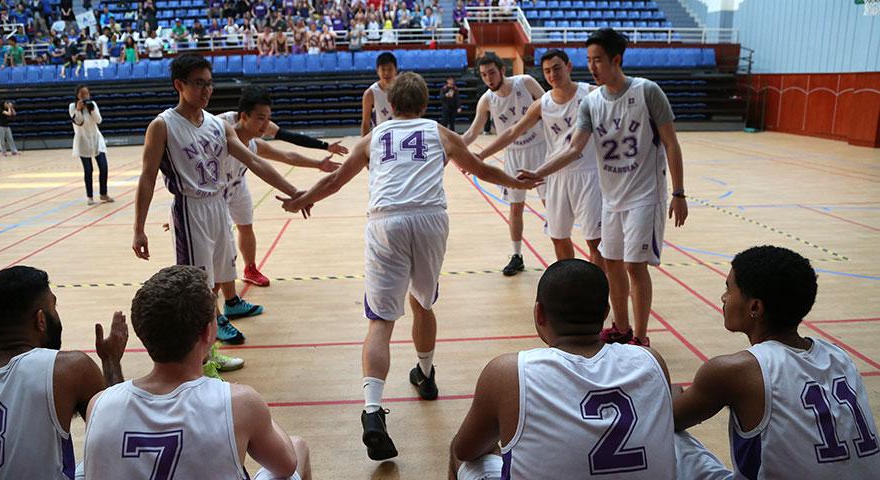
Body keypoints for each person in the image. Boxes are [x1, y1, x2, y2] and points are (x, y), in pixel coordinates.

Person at [278, 72, 540, 461]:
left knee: (381, 322)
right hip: (430, 219)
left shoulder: (373, 138)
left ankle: (371, 411)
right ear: (423, 104)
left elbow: (335, 180)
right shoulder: (439, 132)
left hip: (386, 220)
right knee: (424, 303)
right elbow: (481, 171)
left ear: (391, 104)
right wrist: (520, 183)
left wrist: (304, 199)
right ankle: (426, 374)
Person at [518, 28, 687, 347]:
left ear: (616, 60)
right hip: (611, 198)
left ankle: (640, 336)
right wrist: (537, 173)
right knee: (611, 264)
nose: (592, 67)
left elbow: (671, 144)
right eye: (589, 60)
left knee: (634, 266)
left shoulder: (647, 92)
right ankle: (620, 327)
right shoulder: (592, 102)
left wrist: (678, 193)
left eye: (598, 60)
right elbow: (572, 149)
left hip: (645, 195)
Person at [131, 55, 307, 350]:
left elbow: (252, 158)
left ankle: (210, 342)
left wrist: (294, 191)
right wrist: (139, 228)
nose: (206, 90)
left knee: (217, 280)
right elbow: (147, 177)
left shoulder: (217, 125)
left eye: (209, 84)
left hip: (218, 205)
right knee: (197, 286)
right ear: (179, 85)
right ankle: (203, 355)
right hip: (190, 207)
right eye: (199, 84)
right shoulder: (162, 125)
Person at [449, 259, 675, 479]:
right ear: (606, 313)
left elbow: (466, 450)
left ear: (539, 313)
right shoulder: (650, 360)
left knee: (461, 452)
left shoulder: (507, 372)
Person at [83, 265, 313, 480]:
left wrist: (111, 361)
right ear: (208, 332)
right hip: (238, 406)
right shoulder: (240, 402)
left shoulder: (99, 404)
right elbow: (286, 464)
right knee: (297, 446)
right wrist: (255, 409)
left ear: (141, 331)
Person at [672, 245, 880, 479]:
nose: (724, 297)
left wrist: (669, 394)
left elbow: (667, 419)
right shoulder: (839, 356)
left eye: (729, 289)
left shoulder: (734, 371)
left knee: (670, 439)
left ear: (755, 307)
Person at [0, 265, 128, 479]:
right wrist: (111, 361)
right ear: (40, 320)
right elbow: (123, 434)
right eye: (53, 307)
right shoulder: (70, 369)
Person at [478, 49, 604, 267]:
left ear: (569, 67)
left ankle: (598, 296)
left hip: (587, 173)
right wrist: (481, 154)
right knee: (558, 236)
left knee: (595, 242)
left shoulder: (591, 95)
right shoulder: (542, 104)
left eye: (556, 68)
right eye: (547, 71)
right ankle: (571, 284)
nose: (552, 74)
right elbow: (511, 132)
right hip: (556, 176)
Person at [218, 86, 346, 287]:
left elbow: (287, 155)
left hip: (237, 184)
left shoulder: (253, 142)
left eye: (268, 118)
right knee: (222, 245)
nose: (266, 125)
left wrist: (318, 163)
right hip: (215, 191)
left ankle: (250, 269)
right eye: (261, 118)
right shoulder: (220, 131)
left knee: (245, 225)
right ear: (243, 116)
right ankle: (222, 296)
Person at [462, 53, 548, 276]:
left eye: (491, 72)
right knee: (515, 208)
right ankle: (517, 255)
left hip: (541, 149)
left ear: (502, 70)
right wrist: (452, 151)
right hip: (513, 155)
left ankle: (562, 254)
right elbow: (472, 132)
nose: (488, 78)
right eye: (483, 75)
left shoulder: (525, 83)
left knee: (551, 204)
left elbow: (551, 106)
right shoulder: (487, 100)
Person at [71, 85, 115, 205]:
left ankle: (103, 194)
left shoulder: (93, 104)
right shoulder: (72, 107)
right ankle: (89, 196)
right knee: (88, 170)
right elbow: (78, 122)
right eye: (82, 94)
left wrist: (92, 110)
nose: (85, 96)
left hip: (96, 139)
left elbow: (99, 120)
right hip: (82, 141)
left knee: (103, 166)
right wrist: (78, 109)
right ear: (77, 95)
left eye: (87, 93)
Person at [360, 52, 398, 136]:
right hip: (380, 139)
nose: (386, 73)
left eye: (390, 69)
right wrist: (364, 146)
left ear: (396, 70)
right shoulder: (370, 93)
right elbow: (365, 123)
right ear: (377, 71)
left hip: (399, 136)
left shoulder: (403, 89)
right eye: (383, 69)